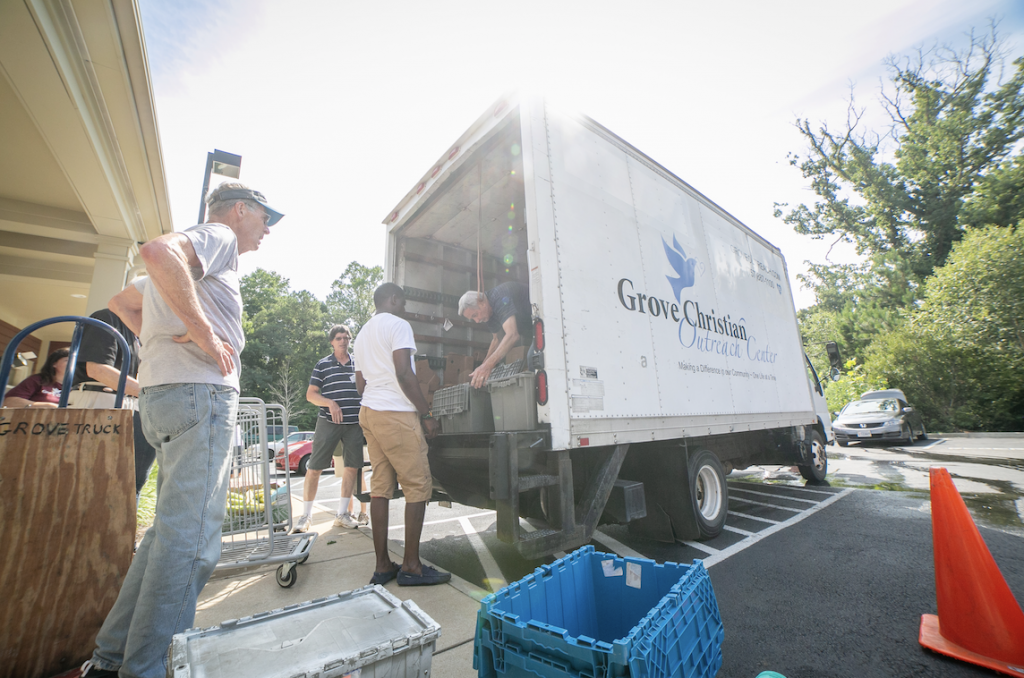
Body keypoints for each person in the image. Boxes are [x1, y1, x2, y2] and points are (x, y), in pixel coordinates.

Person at [80, 182, 283, 678]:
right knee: (192, 543)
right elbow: (156, 249)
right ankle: (146, 669)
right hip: (200, 395)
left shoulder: (180, 275)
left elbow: (119, 302)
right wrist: (203, 331)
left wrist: (161, 349)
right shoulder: (220, 237)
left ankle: (110, 660)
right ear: (241, 211)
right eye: (264, 218)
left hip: (164, 397)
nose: (267, 230)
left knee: (165, 538)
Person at [354, 283, 450, 586]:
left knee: (380, 486)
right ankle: (411, 566)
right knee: (418, 485)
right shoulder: (398, 325)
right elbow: (404, 373)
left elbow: (360, 383)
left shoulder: (361, 334)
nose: (405, 307)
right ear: (392, 299)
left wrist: (376, 400)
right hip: (395, 413)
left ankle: (383, 566)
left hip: (369, 412)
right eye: (403, 301)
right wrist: (426, 413)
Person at [68, 307, 156, 498]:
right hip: (99, 403)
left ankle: (120, 528)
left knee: (132, 483)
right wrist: (155, 393)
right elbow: (98, 370)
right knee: (89, 481)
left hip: (133, 406)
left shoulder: (141, 334)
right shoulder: (108, 319)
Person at [294, 324, 368, 532]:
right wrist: (330, 403)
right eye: (338, 338)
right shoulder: (323, 365)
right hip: (329, 422)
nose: (343, 341)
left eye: (346, 337)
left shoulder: (358, 364)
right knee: (315, 468)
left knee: (352, 468)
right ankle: (305, 517)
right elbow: (311, 395)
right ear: (331, 342)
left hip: (354, 423)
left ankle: (342, 514)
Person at [458, 281, 531, 388]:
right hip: (533, 328)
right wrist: (482, 368)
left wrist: (488, 366)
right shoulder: (488, 313)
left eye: (475, 315)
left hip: (548, 319)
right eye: (473, 319)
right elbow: (497, 339)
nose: (477, 321)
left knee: (533, 358)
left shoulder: (499, 297)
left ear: (481, 303)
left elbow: (512, 335)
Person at [2, 347, 69, 408]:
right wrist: (47, 406)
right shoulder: (37, 380)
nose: (72, 365)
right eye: (67, 360)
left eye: (74, 362)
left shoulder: (75, 387)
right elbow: (9, 402)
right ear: (54, 363)